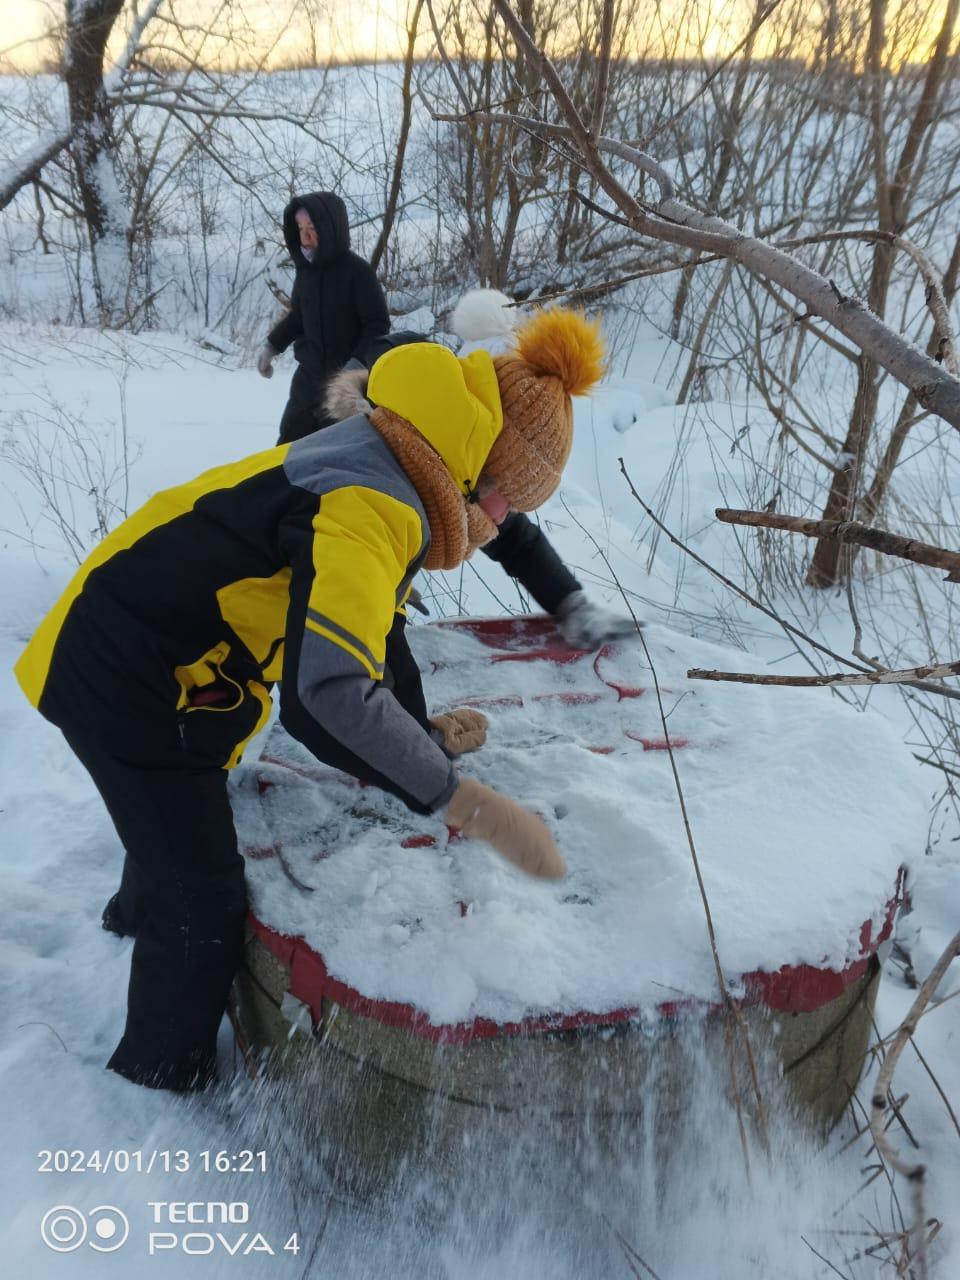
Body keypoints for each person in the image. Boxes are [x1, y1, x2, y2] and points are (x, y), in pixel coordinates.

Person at [14, 306, 605, 1094]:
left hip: (154, 644)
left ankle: (134, 908)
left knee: (174, 806)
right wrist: (461, 801)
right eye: (509, 504)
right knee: (204, 902)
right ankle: (154, 1081)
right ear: (479, 473)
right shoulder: (374, 503)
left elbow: (374, 633)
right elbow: (325, 694)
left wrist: (416, 734)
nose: (503, 526)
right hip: (126, 667)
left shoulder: (389, 452)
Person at [325, 289, 638, 649]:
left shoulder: (458, 470)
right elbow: (340, 653)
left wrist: (572, 603)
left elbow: (518, 539)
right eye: (506, 497)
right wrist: (386, 587)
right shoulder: (373, 488)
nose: (506, 514)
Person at [256, 191, 389, 444]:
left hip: (345, 385)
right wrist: (272, 346)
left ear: (331, 228)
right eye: (299, 227)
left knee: (338, 450)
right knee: (290, 443)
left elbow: (377, 325)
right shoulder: (305, 271)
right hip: (308, 378)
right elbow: (298, 316)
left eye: (312, 228)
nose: (304, 235)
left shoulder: (358, 272)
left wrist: (356, 364)